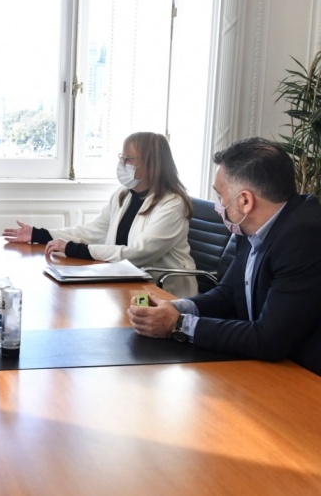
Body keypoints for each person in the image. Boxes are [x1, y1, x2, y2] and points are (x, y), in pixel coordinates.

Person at [127, 137, 321, 376]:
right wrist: (175, 307)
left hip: (304, 376)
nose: (218, 205)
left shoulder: (304, 237)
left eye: (220, 196)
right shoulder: (248, 225)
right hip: (267, 366)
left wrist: (176, 324)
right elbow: (228, 293)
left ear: (245, 201)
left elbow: (269, 339)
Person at [3, 132, 198, 298]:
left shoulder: (172, 204)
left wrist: (73, 249)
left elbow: (139, 253)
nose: (122, 164)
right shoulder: (124, 195)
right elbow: (94, 230)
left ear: (151, 165)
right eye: (122, 157)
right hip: (127, 282)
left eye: (129, 159)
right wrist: (39, 235)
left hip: (164, 293)